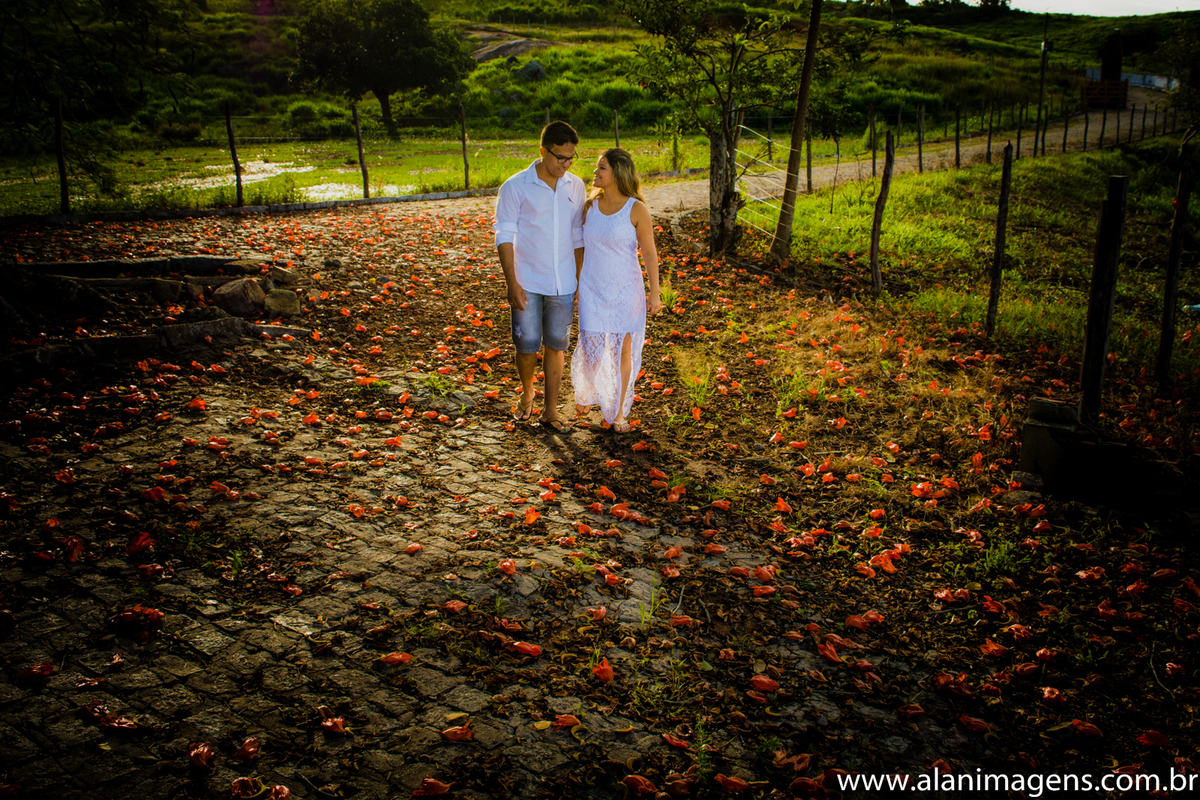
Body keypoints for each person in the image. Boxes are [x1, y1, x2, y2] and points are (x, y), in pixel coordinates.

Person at [494, 121, 586, 432]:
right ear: (543, 151)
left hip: (563, 281)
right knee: (527, 343)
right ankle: (528, 390)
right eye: (561, 158)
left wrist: (579, 278)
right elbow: (504, 235)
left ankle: (550, 409)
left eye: (571, 158)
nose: (567, 165)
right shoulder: (515, 186)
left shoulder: (575, 185)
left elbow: (577, 237)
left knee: (556, 344)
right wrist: (511, 282)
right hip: (527, 281)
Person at [571, 148, 660, 433]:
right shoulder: (589, 207)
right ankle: (591, 393)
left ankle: (619, 412)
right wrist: (576, 281)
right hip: (592, 289)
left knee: (623, 351)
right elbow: (580, 248)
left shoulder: (636, 209)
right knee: (591, 349)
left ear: (618, 173)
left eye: (602, 168)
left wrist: (654, 293)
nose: (595, 173)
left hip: (626, 290)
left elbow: (650, 254)